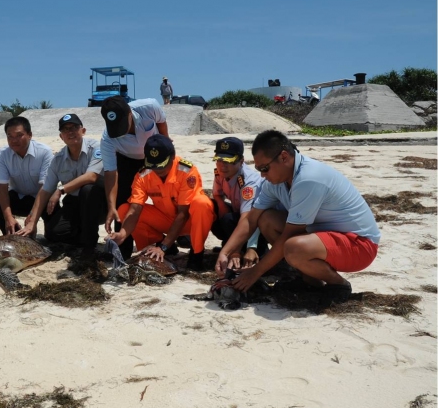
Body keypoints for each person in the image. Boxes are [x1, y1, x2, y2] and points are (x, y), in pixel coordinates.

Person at [216, 130, 381, 307]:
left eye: (265, 168)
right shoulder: (275, 182)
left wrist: (254, 273)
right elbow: (250, 219)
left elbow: (289, 235)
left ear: (284, 157)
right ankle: (308, 278)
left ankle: (338, 285)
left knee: (294, 248)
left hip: (360, 245)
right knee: (267, 219)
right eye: (258, 170)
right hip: (324, 236)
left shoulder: (308, 179)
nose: (262, 175)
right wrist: (225, 252)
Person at [108, 134, 216, 271]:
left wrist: (163, 246)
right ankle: (162, 244)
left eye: (161, 165)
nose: (157, 170)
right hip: (165, 220)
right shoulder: (143, 175)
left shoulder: (187, 171)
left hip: (190, 221)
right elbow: (135, 209)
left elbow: (183, 214)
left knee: (202, 203)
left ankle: (196, 254)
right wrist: (122, 234)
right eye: (153, 165)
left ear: (172, 156)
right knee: (124, 209)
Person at [16, 113, 107, 260]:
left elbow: (92, 176)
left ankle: (89, 246)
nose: (70, 132)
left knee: (88, 189)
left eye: (74, 128)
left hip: (99, 203)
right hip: (74, 203)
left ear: (83, 130)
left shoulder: (96, 148)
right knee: (54, 234)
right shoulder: (58, 159)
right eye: (65, 130)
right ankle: (83, 236)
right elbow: (45, 191)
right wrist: (32, 221)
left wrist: (61, 190)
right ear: (61, 136)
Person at [100, 95, 170, 260]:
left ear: (130, 112)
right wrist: (111, 207)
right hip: (127, 159)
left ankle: (174, 238)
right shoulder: (107, 139)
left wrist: (166, 145)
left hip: (154, 155)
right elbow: (111, 173)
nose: (121, 130)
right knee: (123, 203)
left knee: (167, 196)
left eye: (123, 124)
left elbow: (161, 122)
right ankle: (122, 248)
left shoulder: (149, 106)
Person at [0, 116, 54, 235]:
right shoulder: (3, 154)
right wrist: (8, 218)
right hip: (19, 197)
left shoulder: (44, 152)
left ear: (30, 135)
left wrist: (33, 218)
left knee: (57, 234)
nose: (14, 140)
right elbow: (2, 189)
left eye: (19, 135)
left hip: (42, 198)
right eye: (10, 136)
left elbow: (44, 188)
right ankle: (16, 234)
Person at [211, 137, 268, 268]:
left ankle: (253, 250)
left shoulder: (248, 182)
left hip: (257, 221)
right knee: (212, 208)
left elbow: (248, 218)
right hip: (240, 212)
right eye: (219, 160)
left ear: (241, 161)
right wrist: (221, 206)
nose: (223, 166)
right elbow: (217, 194)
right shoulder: (220, 172)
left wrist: (235, 250)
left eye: (228, 161)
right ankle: (229, 244)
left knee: (229, 219)